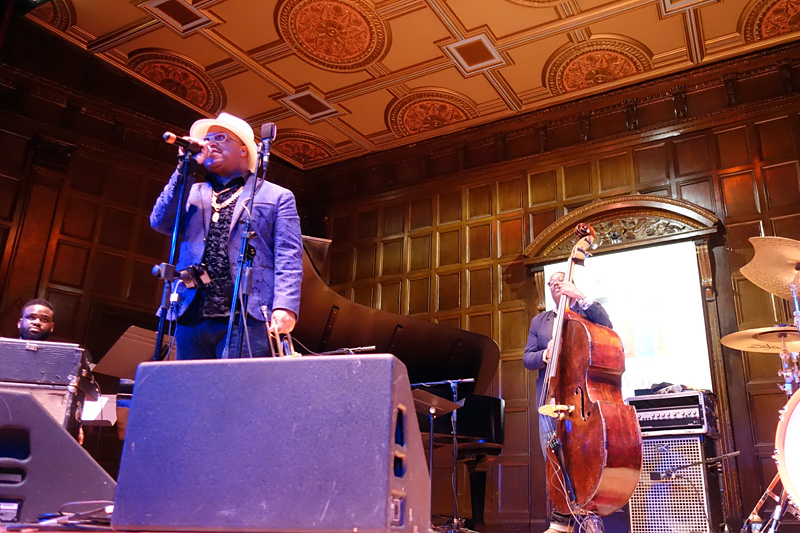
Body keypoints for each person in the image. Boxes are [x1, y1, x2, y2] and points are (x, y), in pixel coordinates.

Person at [150, 112, 303, 359]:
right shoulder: (191, 191)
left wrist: (285, 306)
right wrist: (184, 169)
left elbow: (289, 256)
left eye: (221, 137)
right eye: (208, 139)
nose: (211, 143)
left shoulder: (276, 196)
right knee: (192, 394)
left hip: (247, 314)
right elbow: (160, 222)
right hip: (192, 311)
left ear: (244, 150)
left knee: (239, 394)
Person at [522, 272, 612, 533]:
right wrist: (545, 353)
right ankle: (562, 520)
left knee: (587, 458)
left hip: (582, 399)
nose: (555, 286)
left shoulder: (586, 313)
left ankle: (592, 516)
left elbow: (607, 326)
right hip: (550, 398)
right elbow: (527, 358)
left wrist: (580, 297)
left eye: (560, 282)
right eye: (551, 284)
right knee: (554, 459)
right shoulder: (539, 321)